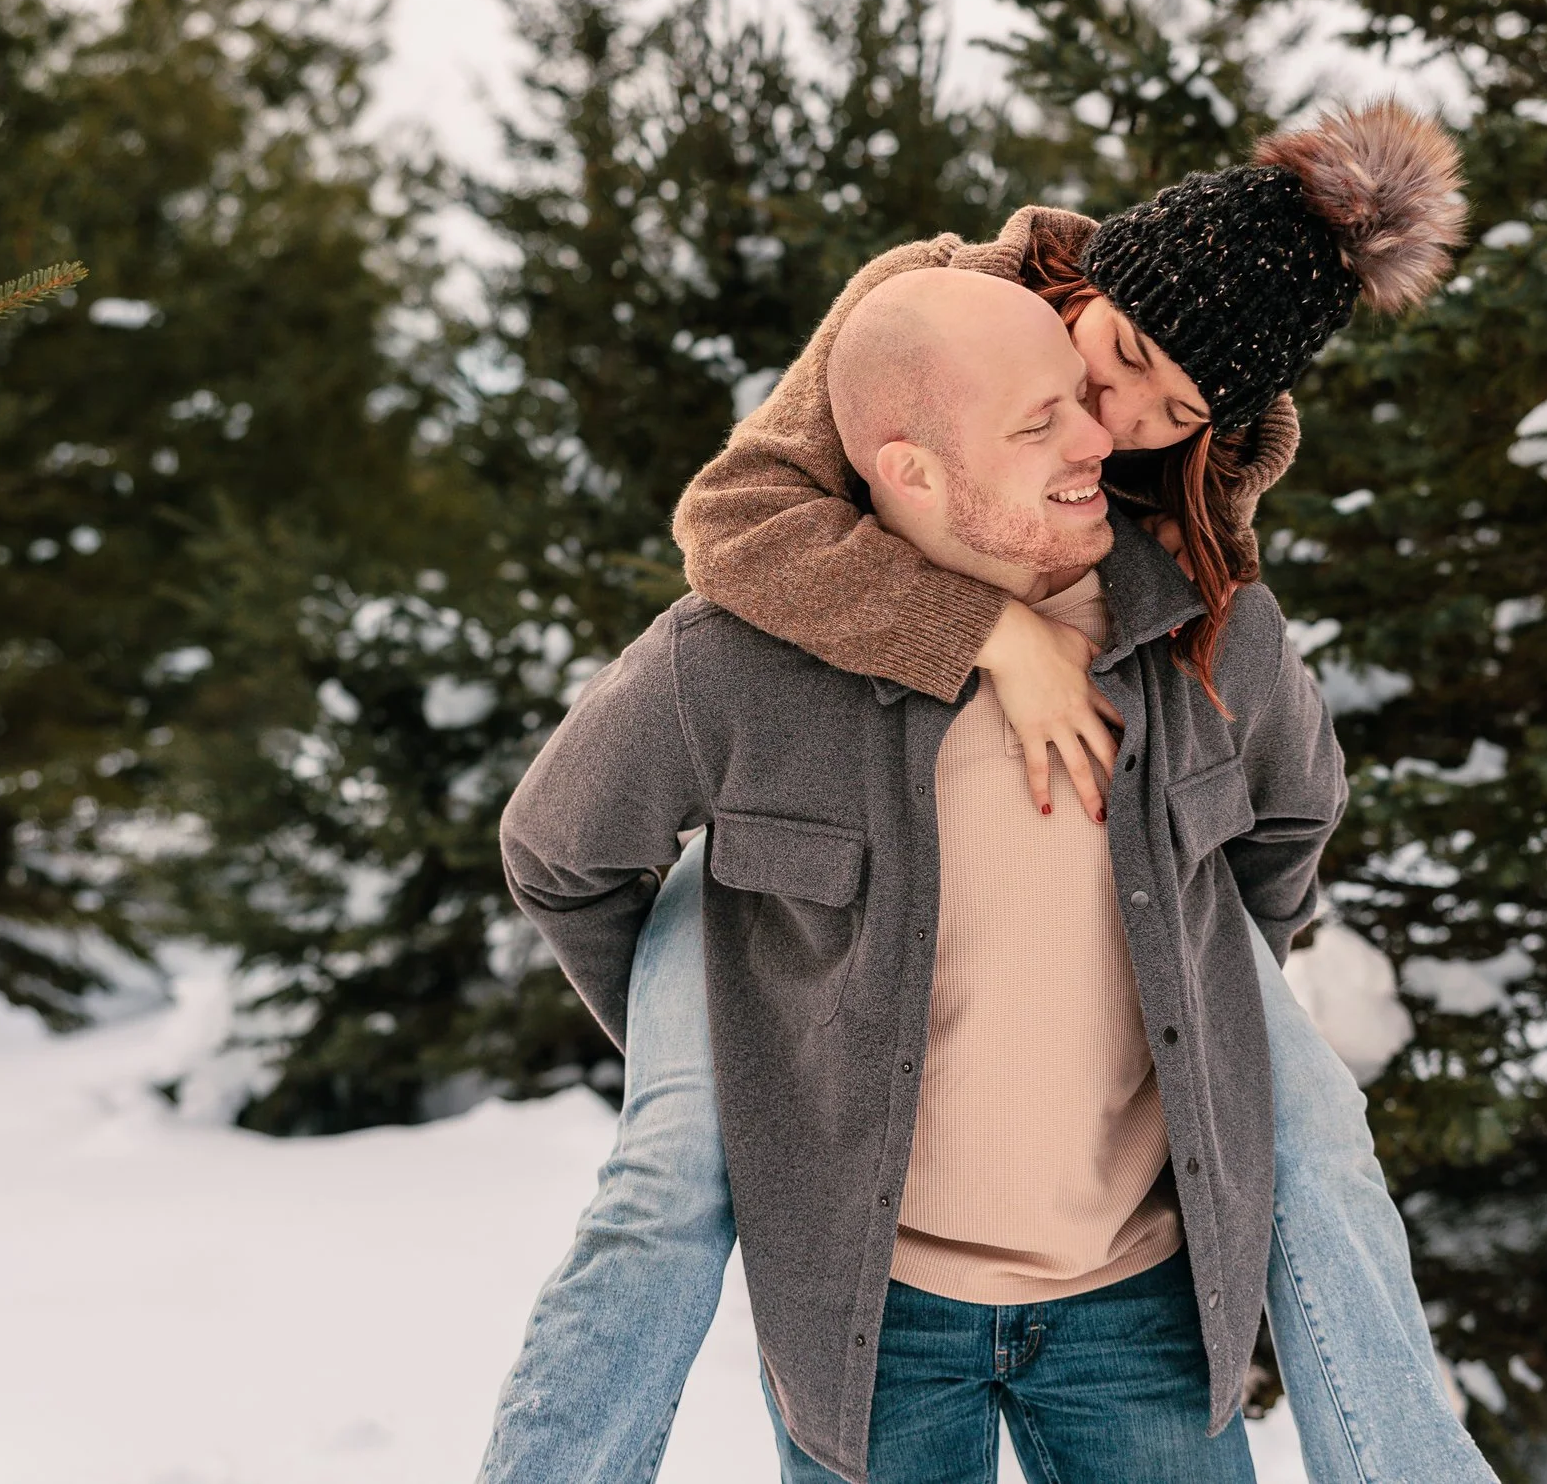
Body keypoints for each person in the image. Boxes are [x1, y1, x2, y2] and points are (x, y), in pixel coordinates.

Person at [478, 102, 1495, 1484]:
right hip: (816, 835)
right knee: (668, 1177)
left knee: (1317, 1145)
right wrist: (989, 639)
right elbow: (733, 518)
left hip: (1121, 1274)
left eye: (1174, 411)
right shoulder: (928, 295)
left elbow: (1245, 742)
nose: (1120, 425)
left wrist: (1182, 946)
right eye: (1116, 365)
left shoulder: (1187, 489)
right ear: (1090, 284)